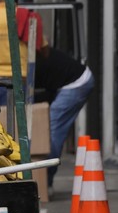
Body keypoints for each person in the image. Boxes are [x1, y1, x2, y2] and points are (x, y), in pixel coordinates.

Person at [35, 46, 94, 189]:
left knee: (51, 130)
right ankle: (44, 181)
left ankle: (45, 181)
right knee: (49, 127)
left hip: (76, 82)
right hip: (67, 82)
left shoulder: (31, 58)